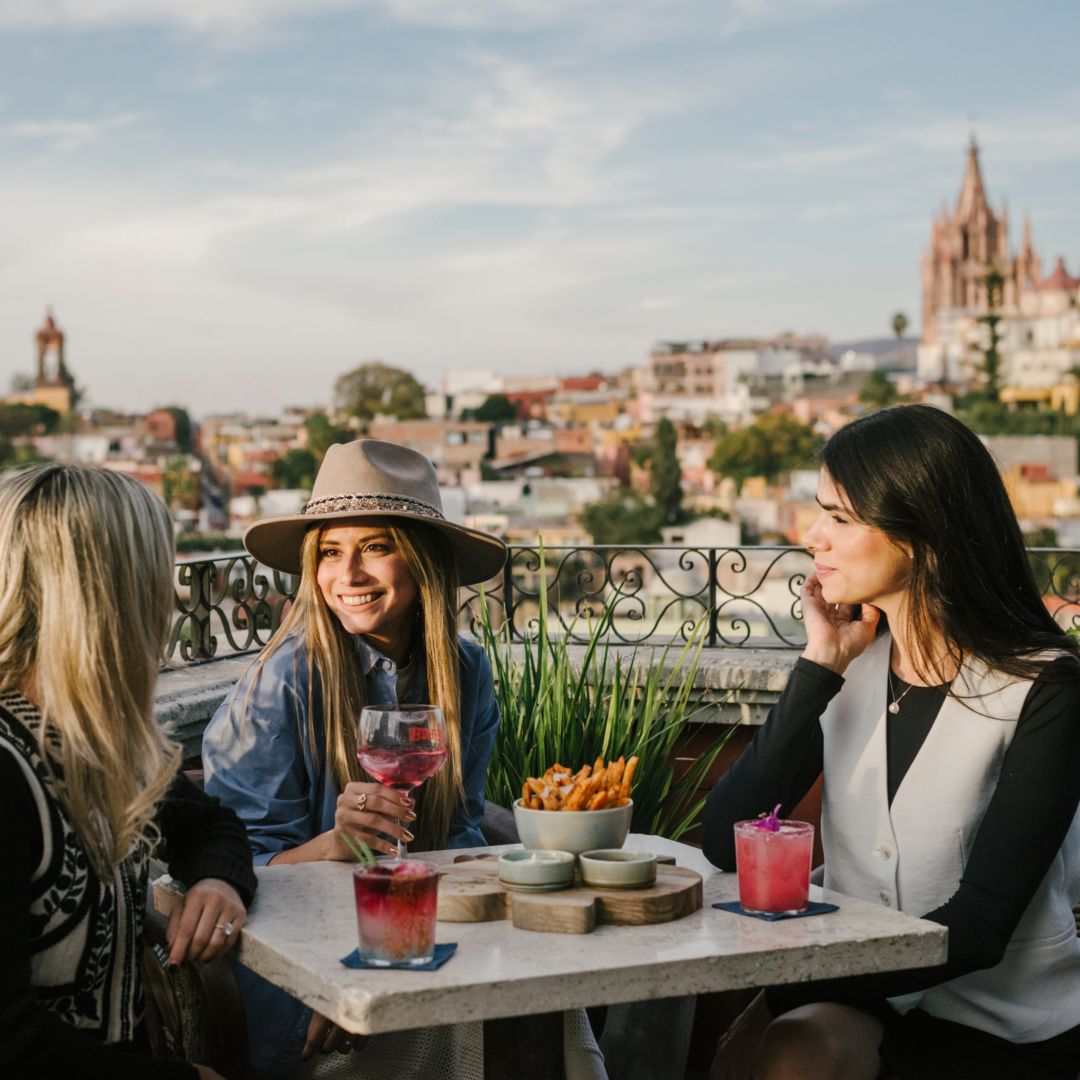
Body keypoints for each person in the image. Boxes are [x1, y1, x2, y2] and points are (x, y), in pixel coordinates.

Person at [206, 439, 608, 1080]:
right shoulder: (281, 683)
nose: (349, 575)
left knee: (546, 995)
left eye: (375, 547)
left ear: (423, 561)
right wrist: (335, 849)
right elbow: (237, 868)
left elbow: (457, 835)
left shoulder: (465, 671)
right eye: (331, 553)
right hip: (298, 969)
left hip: (419, 938)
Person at [702, 404, 1080, 1080]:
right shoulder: (852, 664)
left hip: (1001, 1026)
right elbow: (722, 838)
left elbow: (982, 926)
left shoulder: (1047, 688)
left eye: (840, 519)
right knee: (791, 1052)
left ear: (921, 531)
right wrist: (819, 667)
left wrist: (796, 977)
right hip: (872, 1006)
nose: (811, 537)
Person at [0, 464, 258, 1080]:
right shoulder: (10, 773)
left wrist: (217, 883)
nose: (170, 604)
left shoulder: (100, 745)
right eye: (156, 580)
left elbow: (210, 825)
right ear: (111, 598)